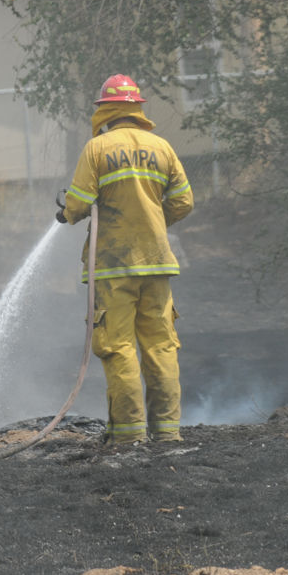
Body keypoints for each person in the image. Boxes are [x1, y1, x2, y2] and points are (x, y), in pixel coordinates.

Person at [56, 74, 194, 446]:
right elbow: (183, 201)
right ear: (137, 108)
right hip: (157, 263)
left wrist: (65, 213)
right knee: (161, 347)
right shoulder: (162, 147)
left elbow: (78, 203)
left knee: (117, 347)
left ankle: (130, 436)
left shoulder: (98, 148)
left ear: (106, 109)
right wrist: (153, 222)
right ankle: (167, 432)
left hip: (114, 266)